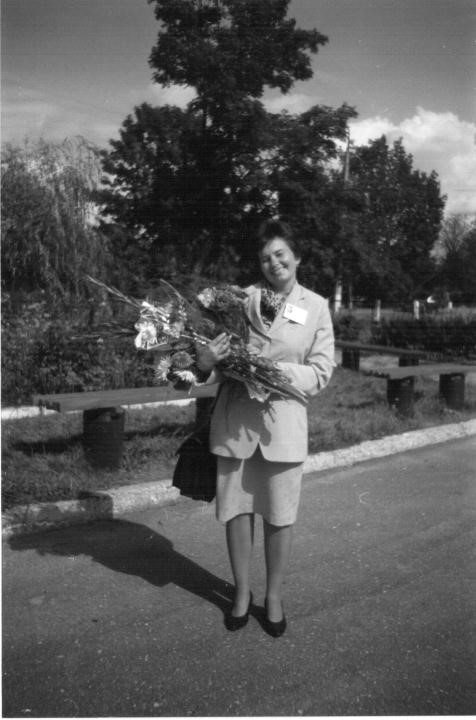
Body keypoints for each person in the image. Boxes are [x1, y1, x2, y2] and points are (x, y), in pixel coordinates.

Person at [195, 219, 335, 637]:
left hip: (283, 430)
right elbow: (219, 366)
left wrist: (270, 370)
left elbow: (321, 372)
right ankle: (242, 592)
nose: (274, 263)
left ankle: (273, 596)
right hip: (236, 425)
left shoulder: (317, 307)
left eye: (280, 254)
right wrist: (205, 363)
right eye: (265, 258)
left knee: (279, 516)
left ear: (297, 257)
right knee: (237, 513)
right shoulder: (239, 300)